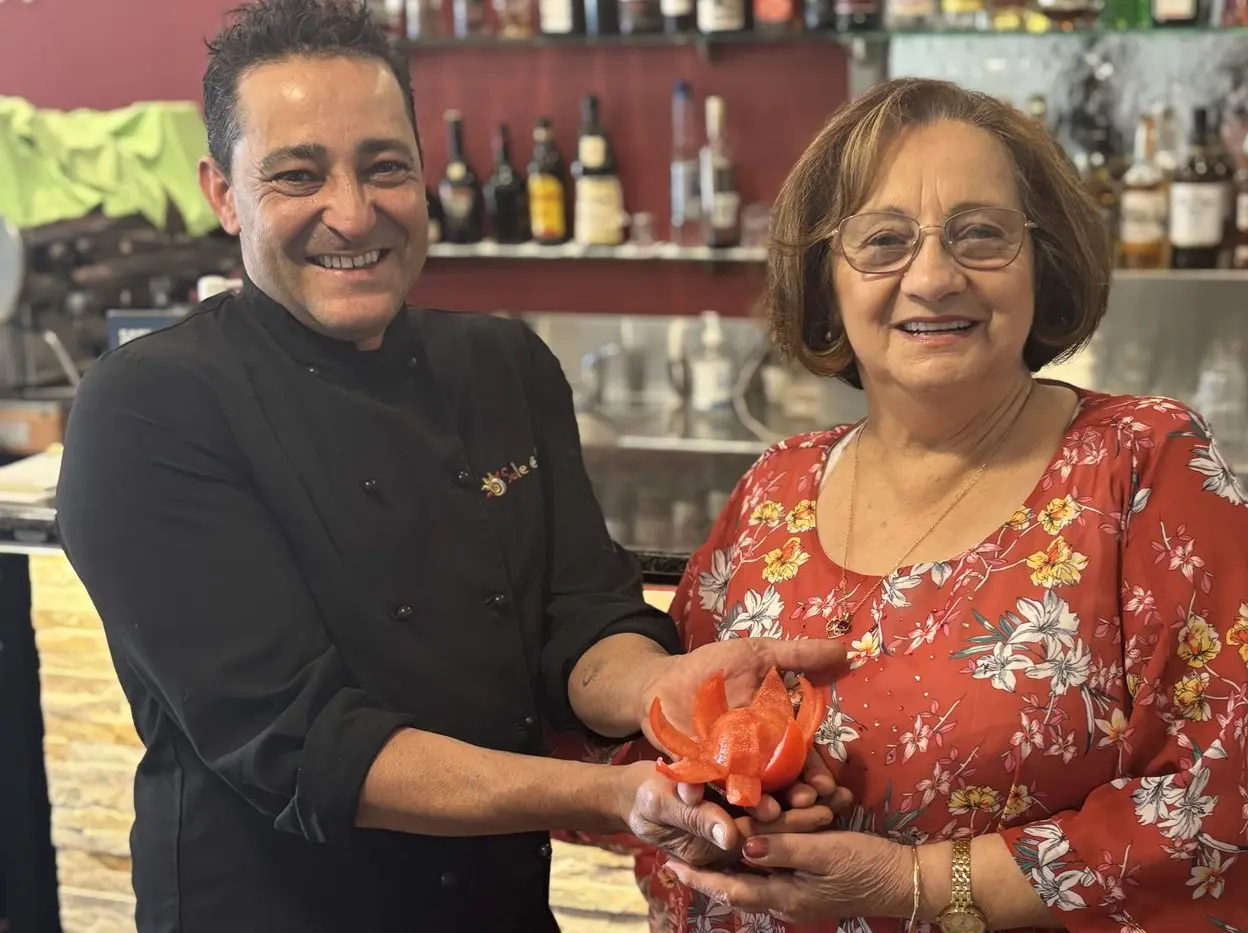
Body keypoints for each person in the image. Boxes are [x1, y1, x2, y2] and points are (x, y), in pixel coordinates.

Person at [53, 2, 846, 931]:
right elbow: (305, 744)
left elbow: (582, 618)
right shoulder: (150, 406)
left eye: (385, 166)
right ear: (223, 193)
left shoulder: (503, 365)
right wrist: (615, 796)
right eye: (298, 174)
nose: (353, 211)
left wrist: (664, 693)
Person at [629, 78, 1248, 933]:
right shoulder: (773, 488)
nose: (934, 276)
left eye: (980, 234)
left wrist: (916, 884)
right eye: (884, 240)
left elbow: (1238, 806)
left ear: (1045, 260)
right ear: (825, 280)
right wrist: (712, 809)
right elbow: (669, 740)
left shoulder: (1143, 467)